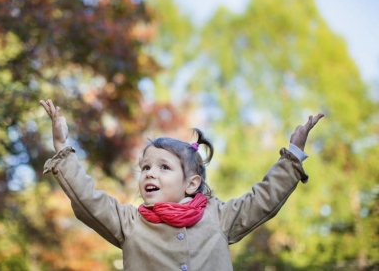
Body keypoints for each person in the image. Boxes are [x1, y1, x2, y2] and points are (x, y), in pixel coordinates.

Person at [39, 99, 324, 271]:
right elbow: (88, 199)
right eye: (146, 167)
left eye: (164, 167)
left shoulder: (218, 217)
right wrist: (63, 148)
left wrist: (292, 156)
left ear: (191, 184)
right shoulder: (129, 223)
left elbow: (261, 200)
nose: (150, 174)